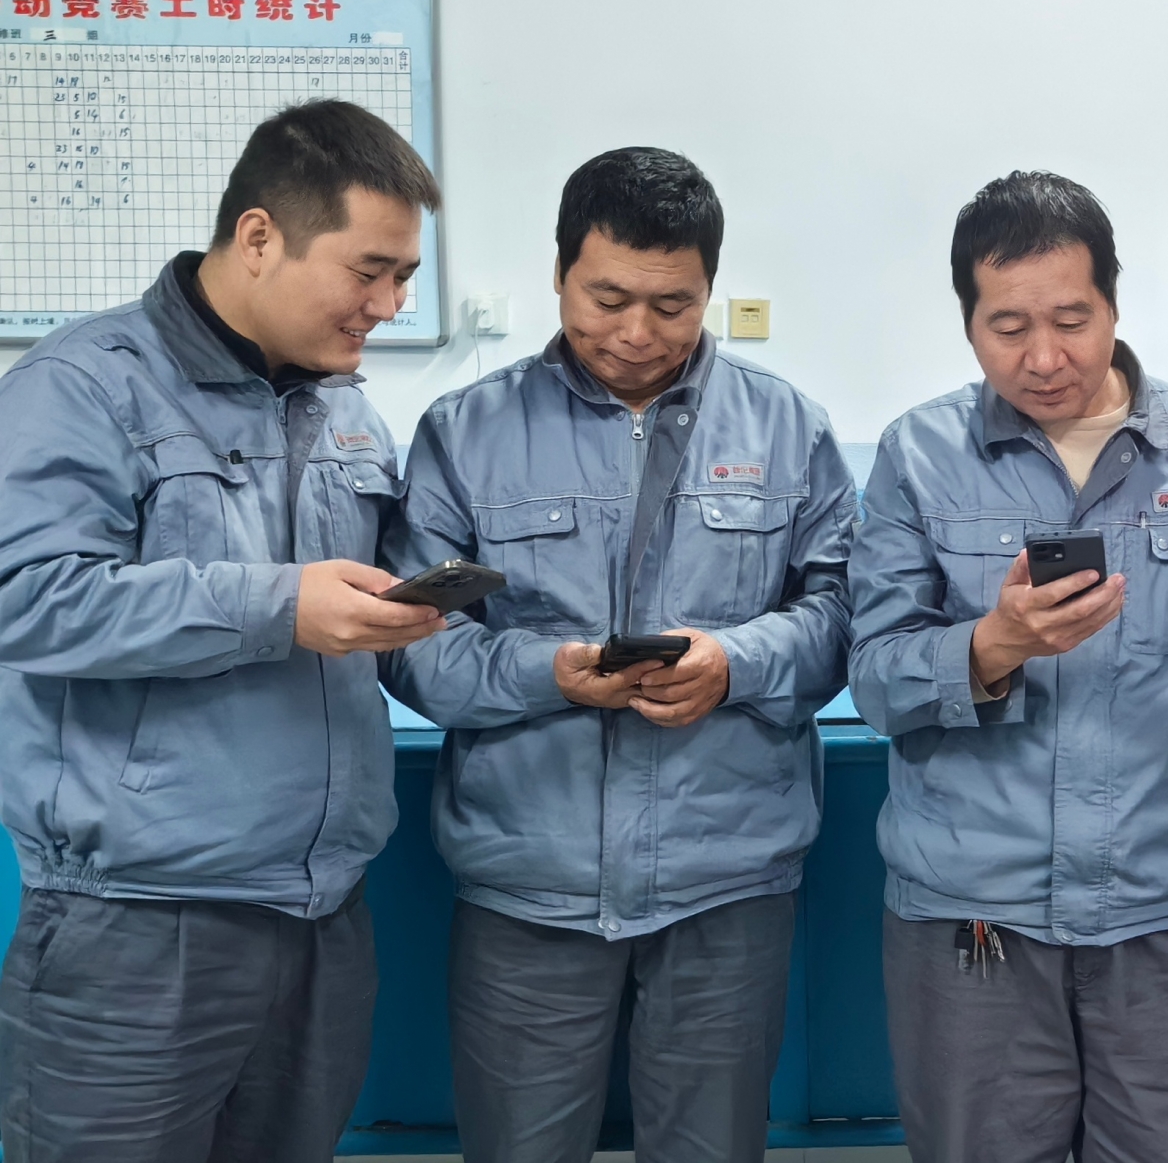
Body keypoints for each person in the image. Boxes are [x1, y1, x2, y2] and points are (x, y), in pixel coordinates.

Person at [381, 146, 854, 1163]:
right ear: (559, 273)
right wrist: (548, 673)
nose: (638, 333)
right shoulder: (466, 432)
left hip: (727, 879)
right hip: (527, 879)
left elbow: (843, 616)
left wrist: (736, 660)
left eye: (673, 305)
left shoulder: (788, 428)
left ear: (710, 288)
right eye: (607, 299)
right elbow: (415, 643)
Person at [0, 100, 445, 1161]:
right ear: (258, 236)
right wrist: (278, 605)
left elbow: (380, 625)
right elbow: (27, 597)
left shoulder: (346, 412)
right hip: (139, 923)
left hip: (324, 913)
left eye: (405, 277)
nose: (388, 306)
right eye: (369, 271)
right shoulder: (83, 385)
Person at [850, 170, 1168, 1163]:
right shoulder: (919, 454)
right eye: (1007, 327)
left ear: (1115, 304)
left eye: (1072, 320)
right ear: (968, 323)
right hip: (975, 909)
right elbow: (873, 677)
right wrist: (993, 645)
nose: (1044, 358)